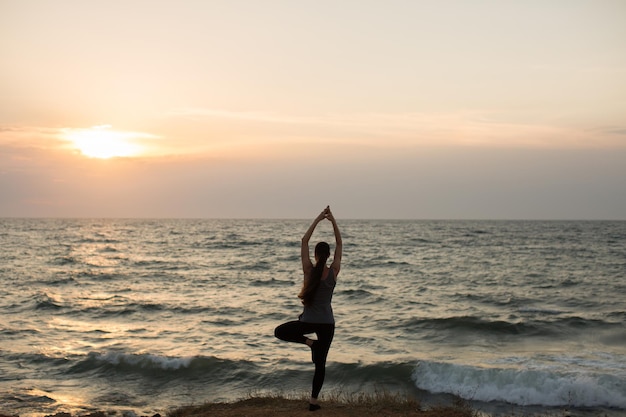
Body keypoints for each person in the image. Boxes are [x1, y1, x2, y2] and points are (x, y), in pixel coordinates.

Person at [274, 206, 342, 411]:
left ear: (315, 254)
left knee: (280, 331)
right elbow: (340, 242)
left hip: (309, 322)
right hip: (327, 323)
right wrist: (333, 221)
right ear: (329, 255)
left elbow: (304, 240)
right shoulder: (334, 271)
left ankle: (310, 343)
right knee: (320, 365)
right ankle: (313, 402)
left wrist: (319, 219)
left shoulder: (308, 270)